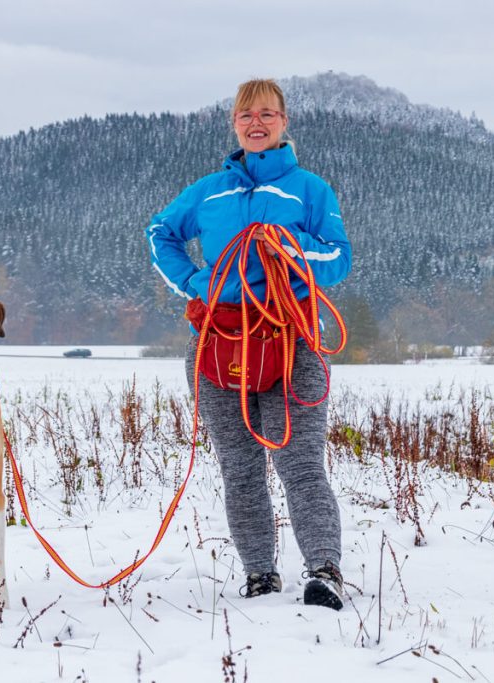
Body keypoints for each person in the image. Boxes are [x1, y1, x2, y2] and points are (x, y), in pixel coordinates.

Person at [144, 78, 352, 610]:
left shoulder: (310, 190)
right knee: (239, 469)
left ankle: (324, 570)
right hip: (218, 345)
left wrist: (288, 243)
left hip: (293, 343)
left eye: (266, 114)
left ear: (285, 122)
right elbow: (159, 232)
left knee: (300, 464)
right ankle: (260, 573)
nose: (255, 122)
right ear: (234, 124)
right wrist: (194, 283)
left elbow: (339, 259)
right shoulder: (208, 191)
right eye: (245, 115)